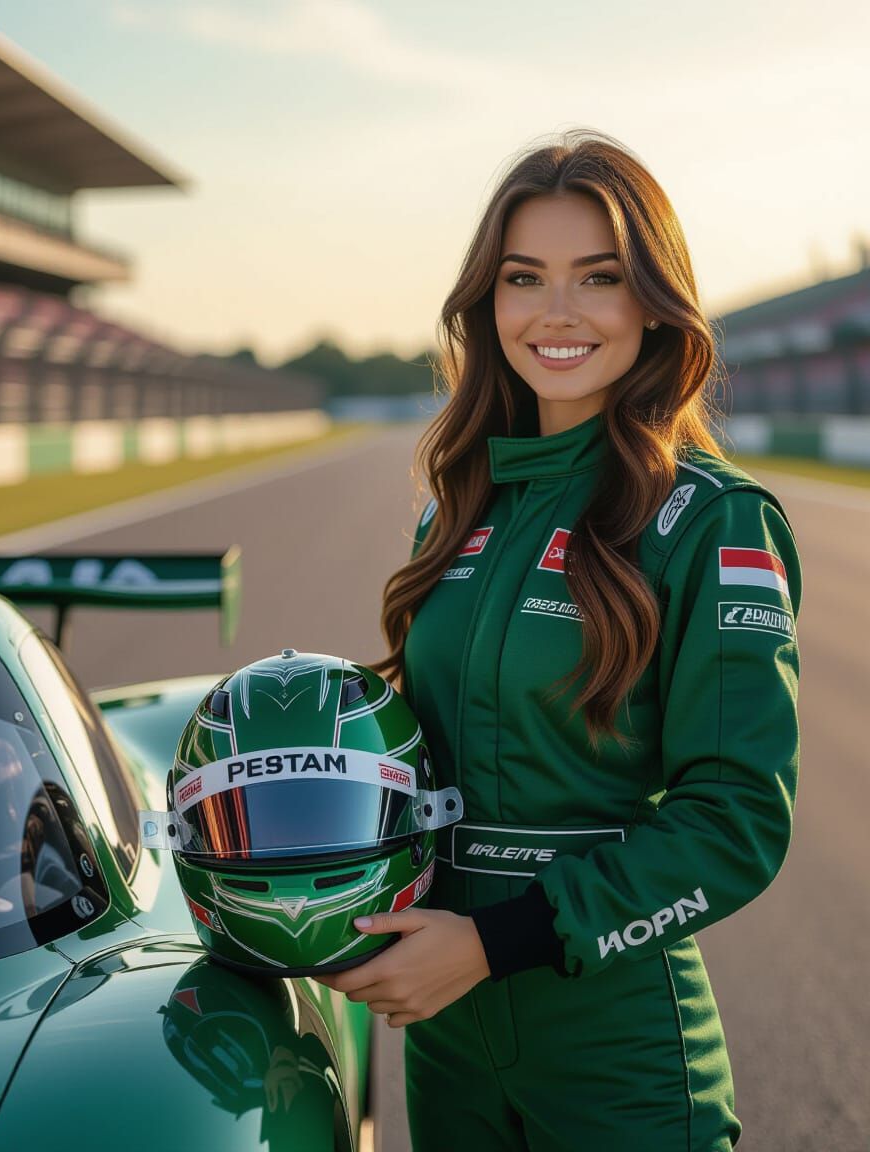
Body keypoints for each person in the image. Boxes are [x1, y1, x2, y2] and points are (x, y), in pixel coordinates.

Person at [316, 129, 800, 1151]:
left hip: (611, 1040)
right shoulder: (457, 509)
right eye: (524, 277)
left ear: (652, 302)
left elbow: (736, 822)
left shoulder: (711, 520)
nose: (557, 312)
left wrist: (495, 943)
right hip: (443, 1032)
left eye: (599, 277)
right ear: (487, 303)